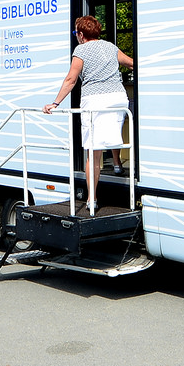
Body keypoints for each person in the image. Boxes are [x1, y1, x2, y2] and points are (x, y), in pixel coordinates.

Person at [45, 15, 135, 216]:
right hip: (118, 99)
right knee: (111, 134)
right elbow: (131, 63)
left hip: (95, 101)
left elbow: (71, 79)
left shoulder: (81, 50)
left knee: (92, 152)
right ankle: (118, 165)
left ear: (81, 34)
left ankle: (92, 198)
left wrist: (55, 102)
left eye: (76, 32)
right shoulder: (111, 47)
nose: (76, 36)